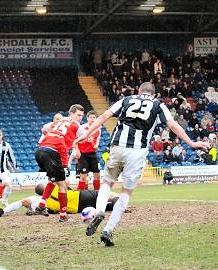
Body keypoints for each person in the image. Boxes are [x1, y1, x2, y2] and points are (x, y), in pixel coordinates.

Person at [74, 82, 210, 246]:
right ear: (153, 93)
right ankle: (108, 230)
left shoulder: (126, 99)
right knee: (126, 192)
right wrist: (192, 143)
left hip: (117, 145)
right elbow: (172, 125)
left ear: (139, 91)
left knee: (107, 183)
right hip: (137, 152)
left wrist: (86, 134)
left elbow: (103, 117)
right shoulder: (158, 104)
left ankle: (100, 210)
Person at [34, 104, 84, 222]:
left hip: (40, 151)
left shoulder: (57, 122)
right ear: (71, 113)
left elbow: (44, 129)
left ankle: (41, 205)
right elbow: (85, 135)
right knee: (62, 184)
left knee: (53, 179)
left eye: (82, 115)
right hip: (53, 153)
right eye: (78, 115)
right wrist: (75, 143)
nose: (80, 118)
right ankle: (62, 215)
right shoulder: (77, 126)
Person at [0, 183, 119, 217]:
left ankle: (114, 205)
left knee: (102, 207)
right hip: (80, 196)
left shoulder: (38, 201)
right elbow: (66, 182)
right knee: (104, 194)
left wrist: (5, 211)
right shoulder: (53, 186)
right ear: (45, 187)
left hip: (76, 209)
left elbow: (20, 202)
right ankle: (119, 200)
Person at [76, 110, 101, 191]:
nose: (92, 119)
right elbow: (76, 140)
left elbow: (97, 142)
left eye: (94, 117)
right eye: (90, 117)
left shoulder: (98, 129)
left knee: (97, 175)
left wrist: (95, 146)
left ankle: (97, 193)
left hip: (93, 154)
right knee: (83, 176)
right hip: (83, 155)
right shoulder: (81, 128)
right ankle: (81, 195)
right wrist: (77, 151)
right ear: (87, 118)